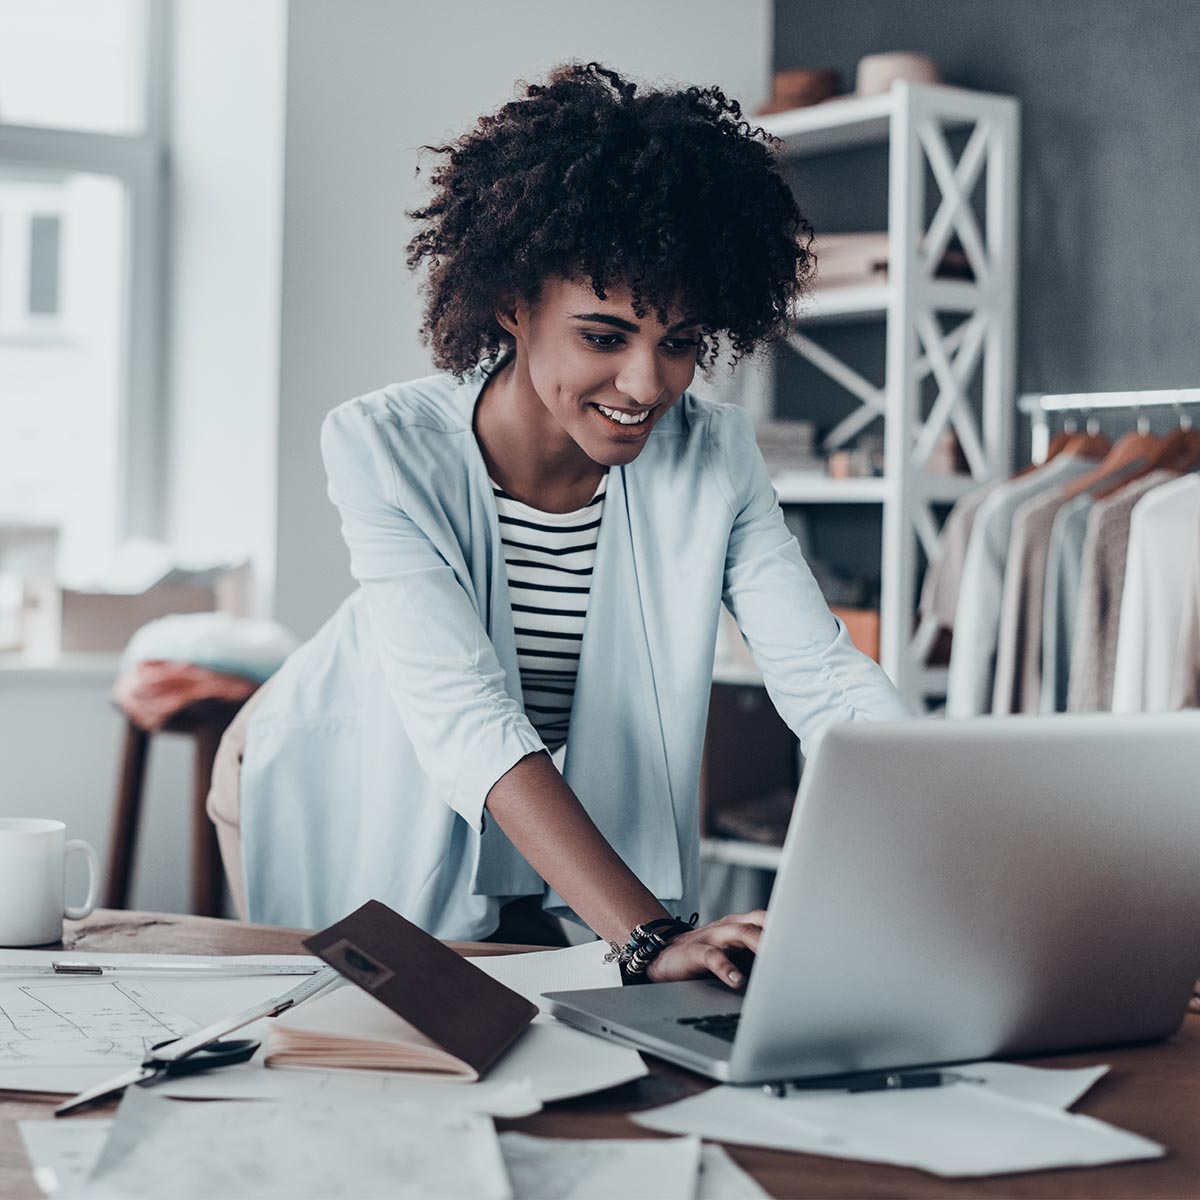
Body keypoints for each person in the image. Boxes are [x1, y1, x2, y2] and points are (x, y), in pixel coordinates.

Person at [207, 61, 910, 988]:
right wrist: (647, 936)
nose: (646, 385)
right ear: (513, 305)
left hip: (523, 793)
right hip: (337, 768)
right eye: (603, 336)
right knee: (367, 1042)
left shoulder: (714, 456)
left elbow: (822, 678)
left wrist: (945, 835)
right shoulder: (383, 447)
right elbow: (468, 715)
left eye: (679, 343)